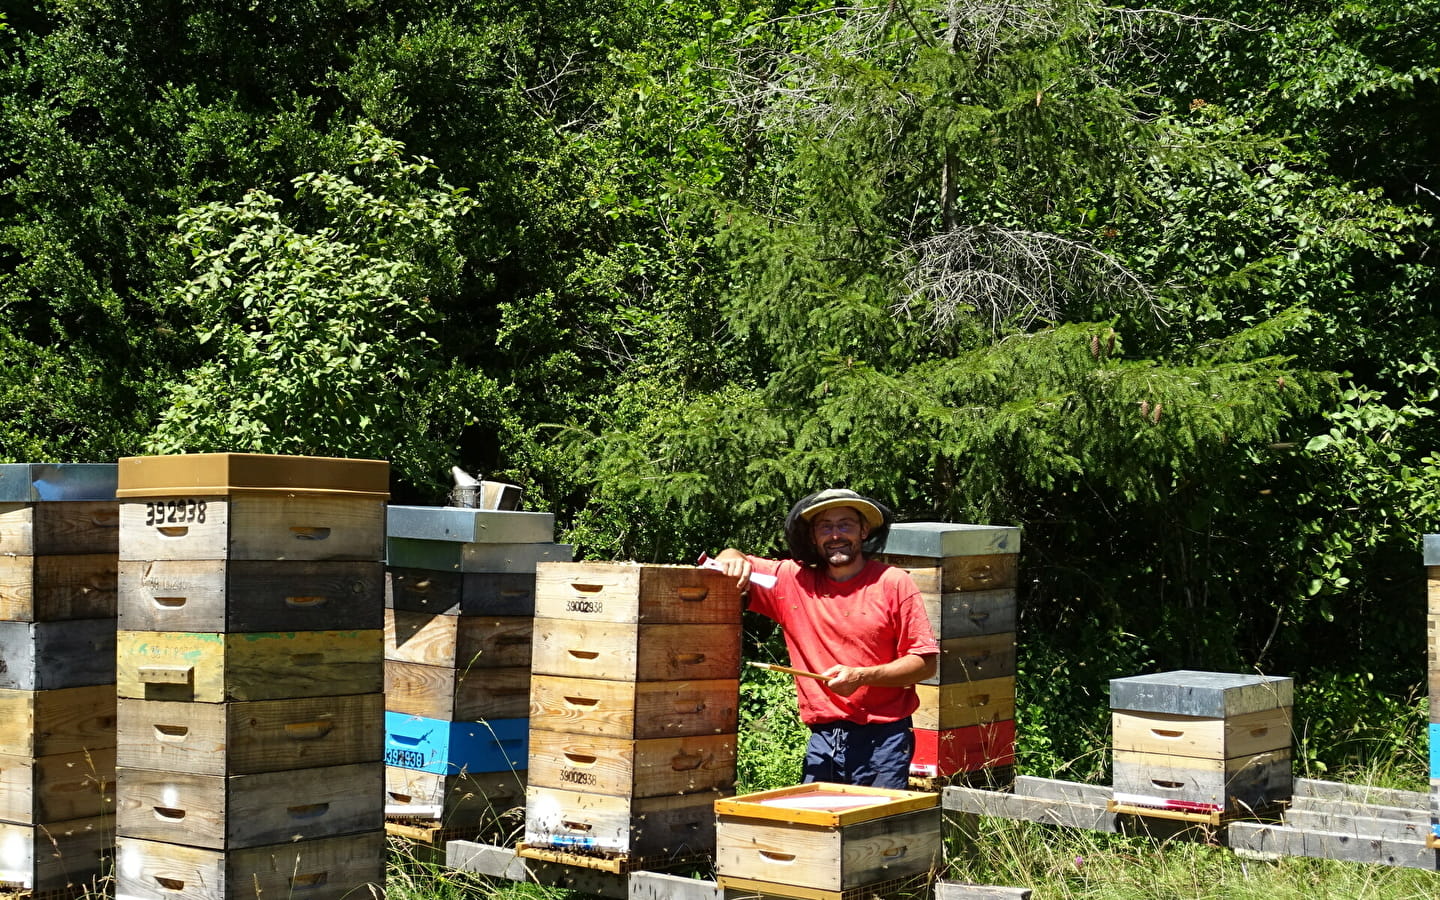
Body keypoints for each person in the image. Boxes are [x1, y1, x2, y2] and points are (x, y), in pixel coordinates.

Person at [713, 488, 938, 789]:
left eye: (845, 524)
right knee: (824, 830)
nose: (836, 535)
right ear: (813, 537)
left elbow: (924, 664)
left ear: (863, 530)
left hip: (883, 741)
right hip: (823, 740)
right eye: (826, 527)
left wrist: (862, 676)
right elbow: (731, 560)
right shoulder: (792, 581)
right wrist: (729, 557)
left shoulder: (893, 582)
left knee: (874, 832)